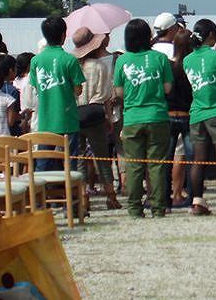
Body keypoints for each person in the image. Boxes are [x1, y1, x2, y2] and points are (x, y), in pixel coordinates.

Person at [113, 19, 172, 218]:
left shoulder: (122, 60)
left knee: (134, 165)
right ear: (148, 37)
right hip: (157, 116)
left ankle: (135, 208)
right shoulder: (160, 58)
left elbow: (119, 92)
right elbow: (167, 88)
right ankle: (158, 207)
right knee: (157, 165)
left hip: (132, 118)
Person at [183, 19, 216, 217]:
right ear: (212, 36)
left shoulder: (187, 60)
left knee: (198, 160)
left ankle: (197, 202)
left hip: (197, 112)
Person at [73, 27, 120, 210]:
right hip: (95, 114)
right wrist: (108, 117)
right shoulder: (100, 66)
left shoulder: (72, 64)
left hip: (75, 115)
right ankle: (111, 197)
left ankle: (83, 197)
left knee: (80, 158)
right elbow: (107, 95)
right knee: (102, 158)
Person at [29, 17, 84, 169]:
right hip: (68, 120)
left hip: (45, 120)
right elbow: (78, 90)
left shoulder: (35, 61)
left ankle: (41, 192)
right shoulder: (70, 60)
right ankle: (70, 192)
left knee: (43, 164)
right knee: (70, 164)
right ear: (63, 35)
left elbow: (36, 87)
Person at [166, 29, 194, 209]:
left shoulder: (167, 65)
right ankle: (191, 197)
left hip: (168, 116)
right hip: (188, 116)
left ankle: (165, 199)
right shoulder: (190, 66)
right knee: (190, 159)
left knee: (166, 159)